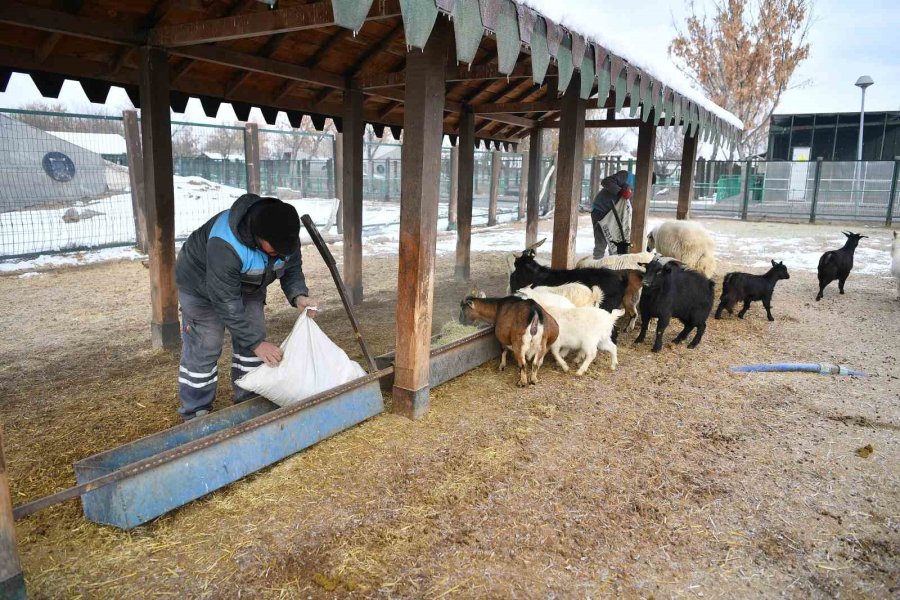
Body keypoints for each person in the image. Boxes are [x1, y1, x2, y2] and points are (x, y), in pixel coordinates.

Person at [174, 193, 317, 420]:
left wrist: (297, 294)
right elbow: (225, 302)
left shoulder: (284, 237)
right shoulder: (225, 244)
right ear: (257, 235)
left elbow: (291, 267)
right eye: (275, 249)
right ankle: (195, 410)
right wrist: (256, 343)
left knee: (254, 336)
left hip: (248, 285)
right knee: (207, 344)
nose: (281, 252)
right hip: (200, 287)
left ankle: (248, 396)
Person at [590, 170, 633, 258]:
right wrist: (620, 191)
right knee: (601, 244)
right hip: (601, 210)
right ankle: (595, 268)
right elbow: (606, 181)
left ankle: (613, 269)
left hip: (615, 216)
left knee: (615, 246)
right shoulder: (626, 176)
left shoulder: (641, 191)